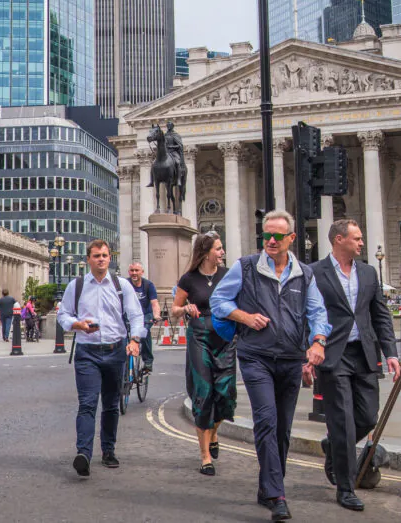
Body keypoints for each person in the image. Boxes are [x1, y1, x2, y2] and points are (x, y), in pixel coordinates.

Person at [210, 210, 330, 522]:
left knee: (282, 429)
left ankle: (267, 487)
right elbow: (218, 302)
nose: (271, 241)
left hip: (291, 358)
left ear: (292, 238)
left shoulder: (304, 274)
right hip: (256, 356)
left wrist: (318, 342)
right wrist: (244, 317)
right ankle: (278, 495)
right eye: (267, 235)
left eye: (278, 236)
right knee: (266, 420)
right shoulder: (246, 267)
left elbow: (317, 312)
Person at [310, 219, 401, 512]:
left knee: (368, 417)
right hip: (333, 355)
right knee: (344, 423)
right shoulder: (315, 272)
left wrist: (391, 352)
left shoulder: (368, 272)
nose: (362, 243)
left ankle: (334, 446)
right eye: (357, 238)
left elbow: (380, 315)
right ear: (339, 240)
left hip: (364, 354)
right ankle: (346, 488)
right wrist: (307, 353)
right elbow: (307, 314)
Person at [58, 239, 145, 478]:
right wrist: (76, 324)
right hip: (87, 352)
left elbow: (136, 315)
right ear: (88, 259)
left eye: (105, 255)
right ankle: (83, 454)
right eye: (96, 256)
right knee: (87, 403)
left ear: (110, 258)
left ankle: (108, 451)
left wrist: (135, 340)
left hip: (115, 350)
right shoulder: (76, 286)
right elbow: (63, 314)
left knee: (111, 404)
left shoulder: (121, 285)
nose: (101, 259)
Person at [172, 231, 235, 476]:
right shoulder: (189, 279)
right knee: (204, 393)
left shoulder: (228, 275)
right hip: (199, 338)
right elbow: (175, 309)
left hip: (225, 339)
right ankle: (205, 456)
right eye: (218, 249)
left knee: (226, 394)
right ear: (206, 252)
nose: (222, 252)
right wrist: (185, 308)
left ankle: (214, 432)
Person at [128, 262, 160, 373]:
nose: (134, 273)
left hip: (145, 315)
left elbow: (154, 303)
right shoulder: (125, 284)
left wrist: (156, 315)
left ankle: (148, 361)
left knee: (143, 332)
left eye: (137, 270)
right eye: (132, 270)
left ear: (142, 272)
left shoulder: (148, 285)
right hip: (129, 315)